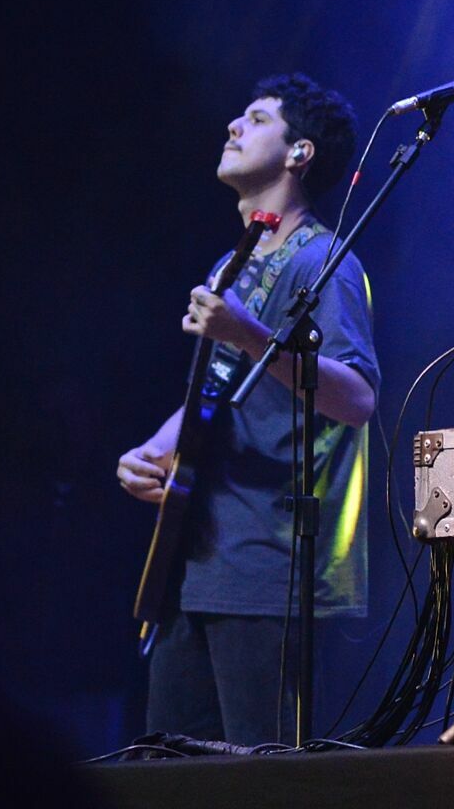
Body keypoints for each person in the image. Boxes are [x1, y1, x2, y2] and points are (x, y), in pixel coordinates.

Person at [116, 73, 379, 745]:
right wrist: (155, 446)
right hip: (194, 563)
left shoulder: (324, 261)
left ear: (299, 154)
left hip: (269, 571)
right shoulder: (228, 266)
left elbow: (357, 397)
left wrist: (248, 333)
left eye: (257, 119)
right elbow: (218, 393)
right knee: (170, 771)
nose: (234, 125)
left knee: (259, 778)